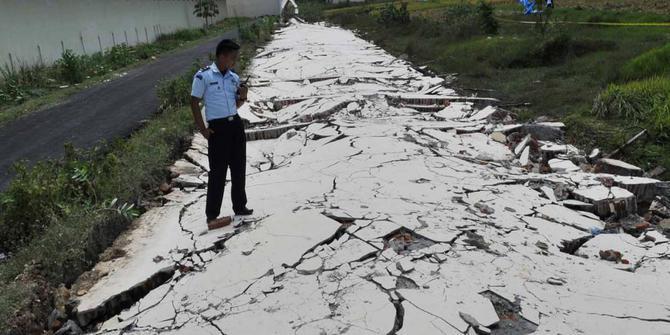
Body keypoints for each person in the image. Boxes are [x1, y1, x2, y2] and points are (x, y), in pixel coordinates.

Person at [190, 39, 253, 230]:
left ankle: (240, 206)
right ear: (222, 56)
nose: (234, 61)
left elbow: (235, 105)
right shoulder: (204, 76)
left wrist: (243, 96)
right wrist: (203, 129)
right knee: (217, 173)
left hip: (235, 126)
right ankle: (212, 215)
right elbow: (194, 102)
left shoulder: (233, 78)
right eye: (232, 58)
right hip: (218, 129)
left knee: (239, 168)